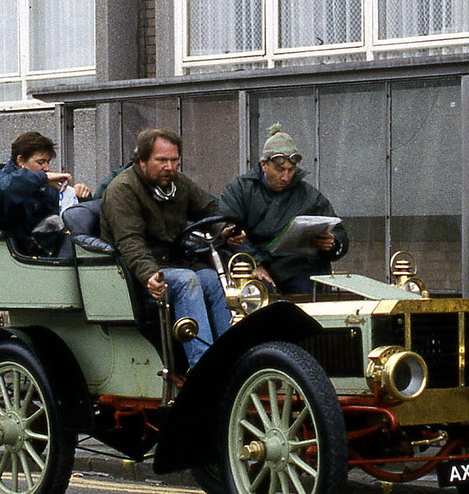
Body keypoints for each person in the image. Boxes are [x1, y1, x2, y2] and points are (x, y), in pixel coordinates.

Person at [100, 129, 241, 368]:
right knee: (188, 280)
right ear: (142, 162)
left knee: (211, 277)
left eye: (174, 160)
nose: (170, 167)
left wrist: (225, 230)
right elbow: (130, 242)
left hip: (174, 264)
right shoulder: (122, 190)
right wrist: (148, 274)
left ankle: (234, 362)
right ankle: (202, 368)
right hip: (134, 276)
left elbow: (210, 209)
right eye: (162, 160)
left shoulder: (178, 183)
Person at [220, 123, 348, 294]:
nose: (286, 177)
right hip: (255, 266)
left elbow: (339, 233)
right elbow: (228, 229)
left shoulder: (309, 196)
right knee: (257, 292)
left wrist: (332, 243)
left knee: (307, 292)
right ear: (264, 165)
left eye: (291, 170)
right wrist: (255, 264)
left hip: (299, 270)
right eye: (280, 170)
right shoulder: (240, 190)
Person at [0, 131, 92, 257]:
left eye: (48, 162)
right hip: (25, 255)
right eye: (41, 162)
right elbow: (4, 190)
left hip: (49, 248)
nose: (47, 168)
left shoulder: (42, 184)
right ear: (20, 160)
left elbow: (64, 213)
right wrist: (41, 178)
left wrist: (79, 197)